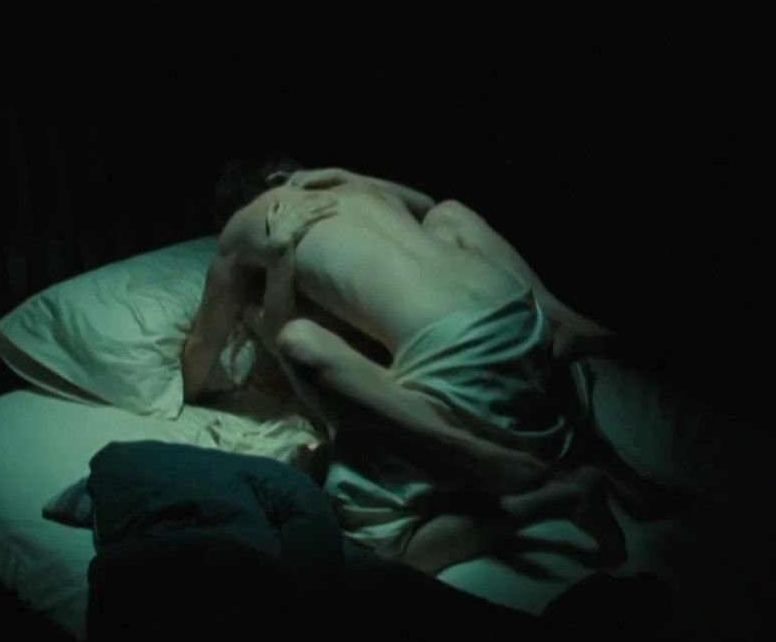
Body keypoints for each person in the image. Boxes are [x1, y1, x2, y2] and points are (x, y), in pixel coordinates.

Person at [181, 157, 624, 574]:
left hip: (461, 345)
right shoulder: (351, 189)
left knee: (376, 547)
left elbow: (200, 362)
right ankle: (562, 323)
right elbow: (429, 206)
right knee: (449, 216)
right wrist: (342, 175)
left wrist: (273, 256)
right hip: (519, 310)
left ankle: (552, 496)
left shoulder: (247, 226)